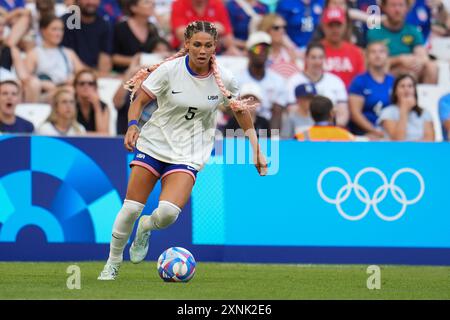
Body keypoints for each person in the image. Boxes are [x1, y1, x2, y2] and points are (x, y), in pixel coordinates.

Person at [97, 21, 268, 280]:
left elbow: (240, 113)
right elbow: (140, 100)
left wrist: (256, 148)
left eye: (208, 45)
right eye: (196, 44)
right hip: (154, 144)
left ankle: (145, 227)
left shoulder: (226, 80)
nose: (202, 50)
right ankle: (112, 263)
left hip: (189, 152)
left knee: (166, 215)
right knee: (131, 208)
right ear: (186, 44)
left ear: (215, 47)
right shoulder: (169, 70)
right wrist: (133, 125)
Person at [366, 0, 438, 84]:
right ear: (384, 7)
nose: (397, 10)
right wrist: (399, 59)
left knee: (431, 67)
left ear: (407, 8)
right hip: (387, 71)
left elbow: (422, 55)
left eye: (401, 5)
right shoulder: (375, 32)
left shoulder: (413, 31)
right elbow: (373, 61)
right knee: (403, 72)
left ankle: (427, 96)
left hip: (411, 71)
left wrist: (419, 61)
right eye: (393, 5)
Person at [287, 42, 349, 127]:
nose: (317, 62)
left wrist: (325, 127)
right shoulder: (293, 81)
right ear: (306, 58)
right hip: (302, 129)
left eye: (320, 57)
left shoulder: (335, 81)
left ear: (325, 59)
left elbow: (343, 114)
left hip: (331, 130)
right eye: (313, 57)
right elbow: (292, 112)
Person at [236, 31, 288, 130]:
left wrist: (272, 141)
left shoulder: (278, 80)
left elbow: (277, 112)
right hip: (241, 127)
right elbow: (231, 110)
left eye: (266, 49)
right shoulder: (236, 79)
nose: (262, 52)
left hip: (267, 127)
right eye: (257, 49)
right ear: (248, 52)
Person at [26, 15, 85, 94]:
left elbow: (84, 73)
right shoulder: (34, 53)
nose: (58, 33)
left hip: (67, 91)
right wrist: (43, 84)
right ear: (43, 31)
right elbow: (26, 79)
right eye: (54, 29)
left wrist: (74, 78)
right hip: (45, 94)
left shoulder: (69, 53)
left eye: (61, 30)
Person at [348, 41, 395, 138]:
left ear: (387, 56)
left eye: (381, 52)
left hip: (390, 131)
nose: (377, 55)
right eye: (373, 52)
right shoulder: (359, 81)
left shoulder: (394, 81)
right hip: (364, 133)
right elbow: (355, 113)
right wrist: (374, 130)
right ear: (367, 57)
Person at [170, 0, 241, 55]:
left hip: (216, 53)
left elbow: (227, 33)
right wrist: (211, 27)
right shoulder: (179, 4)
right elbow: (181, 34)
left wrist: (231, 47)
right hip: (185, 52)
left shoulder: (217, 4)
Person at [61, 0, 113, 75]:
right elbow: (68, 59)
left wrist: (101, 75)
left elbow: (105, 60)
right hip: (70, 75)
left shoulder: (104, 25)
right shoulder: (65, 23)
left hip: (97, 77)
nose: (91, 2)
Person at [377, 74, 434, 141]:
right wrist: (404, 110)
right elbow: (398, 140)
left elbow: (430, 140)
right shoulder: (387, 112)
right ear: (395, 91)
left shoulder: (424, 113)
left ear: (414, 90)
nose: (406, 89)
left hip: (420, 151)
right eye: (402, 86)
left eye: (410, 86)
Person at [320, 7, 366, 88]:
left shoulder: (355, 52)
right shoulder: (316, 51)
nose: (335, 30)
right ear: (323, 26)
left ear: (345, 26)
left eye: (338, 25)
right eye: (331, 25)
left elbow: (361, 82)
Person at [112, 0, 161, 73]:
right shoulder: (120, 28)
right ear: (133, 7)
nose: (152, 5)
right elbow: (113, 57)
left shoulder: (153, 28)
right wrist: (139, 61)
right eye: (146, 2)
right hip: (123, 75)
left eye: (153, 2)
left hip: (147, 76)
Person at [257, 13, 301, 80]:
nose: (281, 31)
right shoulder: (258, 50)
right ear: (266, 30)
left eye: (284, 27)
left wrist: (290, 46)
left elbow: (295, 76)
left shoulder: (289, 52)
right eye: (276, 28)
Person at [74, 69, 110, 134]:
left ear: (95, 87)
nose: (86, 86)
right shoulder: (70, 104)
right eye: (82, 83)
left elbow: (104, 135)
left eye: (90, 83)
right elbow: (69, 133)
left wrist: (97, 107)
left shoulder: (103, 106)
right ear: (75, 87)